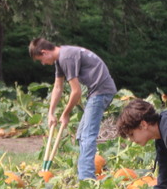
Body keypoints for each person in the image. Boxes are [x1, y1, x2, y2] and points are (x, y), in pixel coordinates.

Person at [29, 38, 116, 180]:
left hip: (101, 92)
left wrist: (65, 113)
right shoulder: (60, 58)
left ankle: (86, 179)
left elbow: (76, 92)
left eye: (41, 60)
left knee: (87, 136)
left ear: (44, 52)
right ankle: (84, 173)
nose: (43, 63)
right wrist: (51, 113)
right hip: (96, 92)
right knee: (81, 135)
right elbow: (58, 87)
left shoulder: (66, 57)